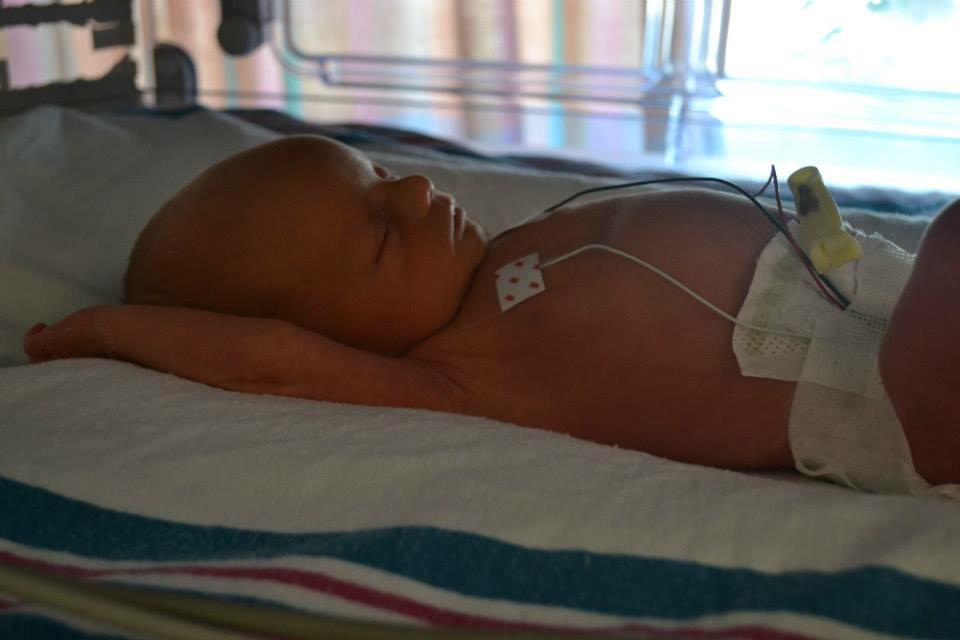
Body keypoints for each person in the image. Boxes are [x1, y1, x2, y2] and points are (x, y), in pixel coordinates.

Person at [22, 135, 960, 493]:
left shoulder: (505, 253)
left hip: (880, 290)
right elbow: (265, 356)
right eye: (380, 230)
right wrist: (101, 331)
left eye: (381, 173)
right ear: (330, 332)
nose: (418, 191)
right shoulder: (449, 375)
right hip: (883, 398)